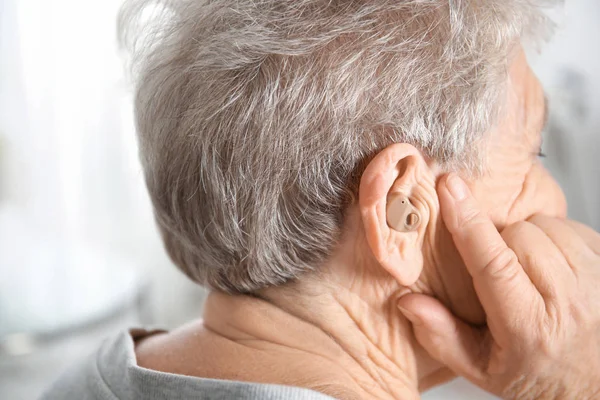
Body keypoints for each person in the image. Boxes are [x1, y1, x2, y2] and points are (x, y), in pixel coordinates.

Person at [42, 0, 600, 399]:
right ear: (400, 211)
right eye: (535, 153)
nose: (557, 203)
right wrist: (576, 384)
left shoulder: (91, 377)